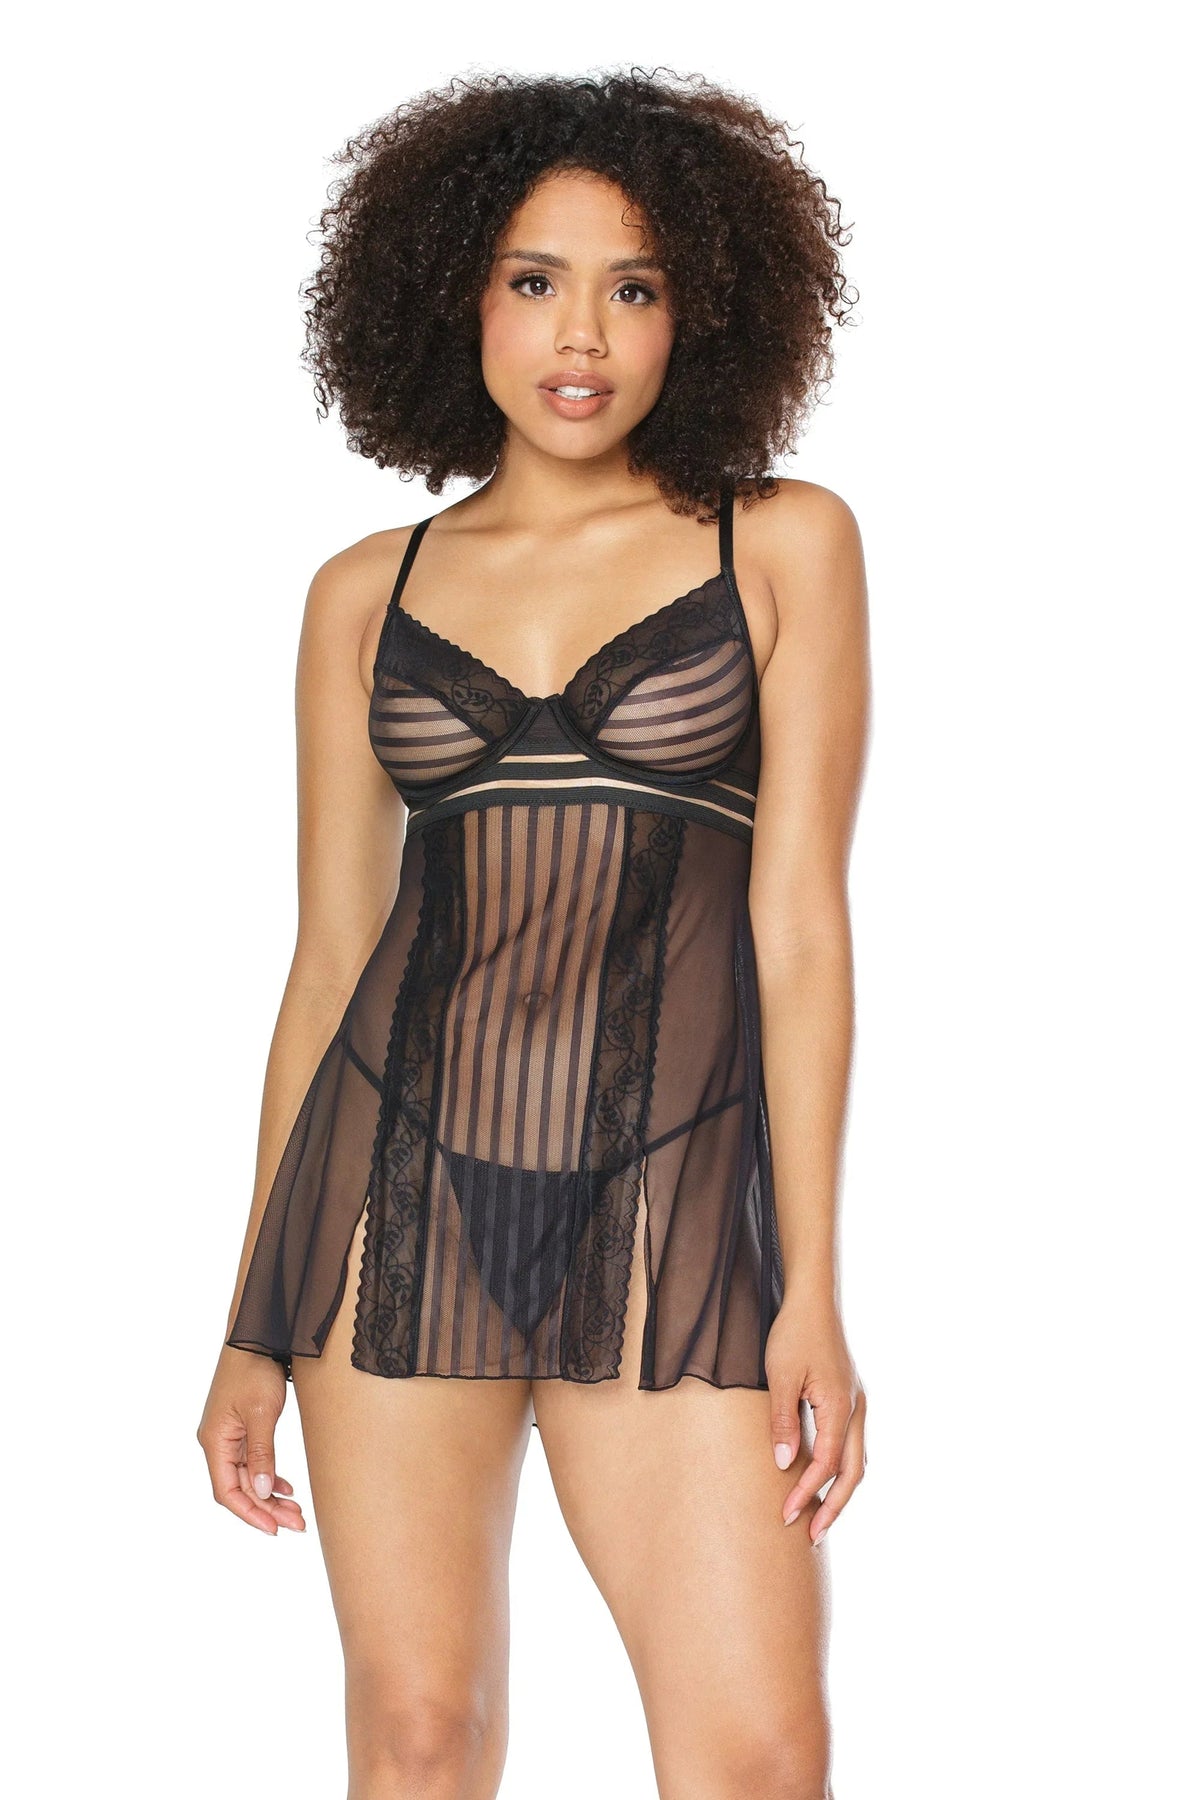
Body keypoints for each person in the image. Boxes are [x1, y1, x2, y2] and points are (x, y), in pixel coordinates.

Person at [198, 68, 869, 1800]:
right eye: (534, 279)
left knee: (758, 1756)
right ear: (456, 297)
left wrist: (811, 1285)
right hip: (394, 1192)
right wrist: (252, 1319)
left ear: (700, 314)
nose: (583, 335)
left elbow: (800, 929)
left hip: (667, 1196)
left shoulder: (781, 543)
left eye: (634, 287)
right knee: (419, 1736)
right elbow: (329, 960)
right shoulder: (367, 592)